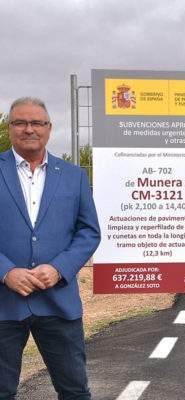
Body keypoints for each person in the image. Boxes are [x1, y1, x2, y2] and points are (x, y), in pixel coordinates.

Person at [0, 97, 101, 399]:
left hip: (58, 302)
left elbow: (89, 232)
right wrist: (5, 272)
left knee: (74, 391)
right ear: (10, 128)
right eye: (20, 122)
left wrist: (59, 268)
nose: (29, 129)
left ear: (48, 128)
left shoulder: (73, 176)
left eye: (36, 123)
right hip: (4, 303)